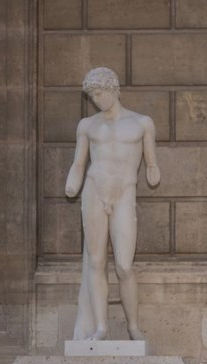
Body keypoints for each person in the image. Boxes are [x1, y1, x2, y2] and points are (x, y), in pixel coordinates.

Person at [65, 67, 161, 341]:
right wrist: (72, 183)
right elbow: (79, 163)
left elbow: (151, 163)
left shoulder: (142, 123)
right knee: (95, 261)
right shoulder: (87, 125)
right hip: (94, 191)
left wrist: (154, 171)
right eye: (93, 95)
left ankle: (133, 326)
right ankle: (101, 327)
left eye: (100, 93)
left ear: (113, 89)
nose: (97, 99)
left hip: (124, 193)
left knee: (124, 265)